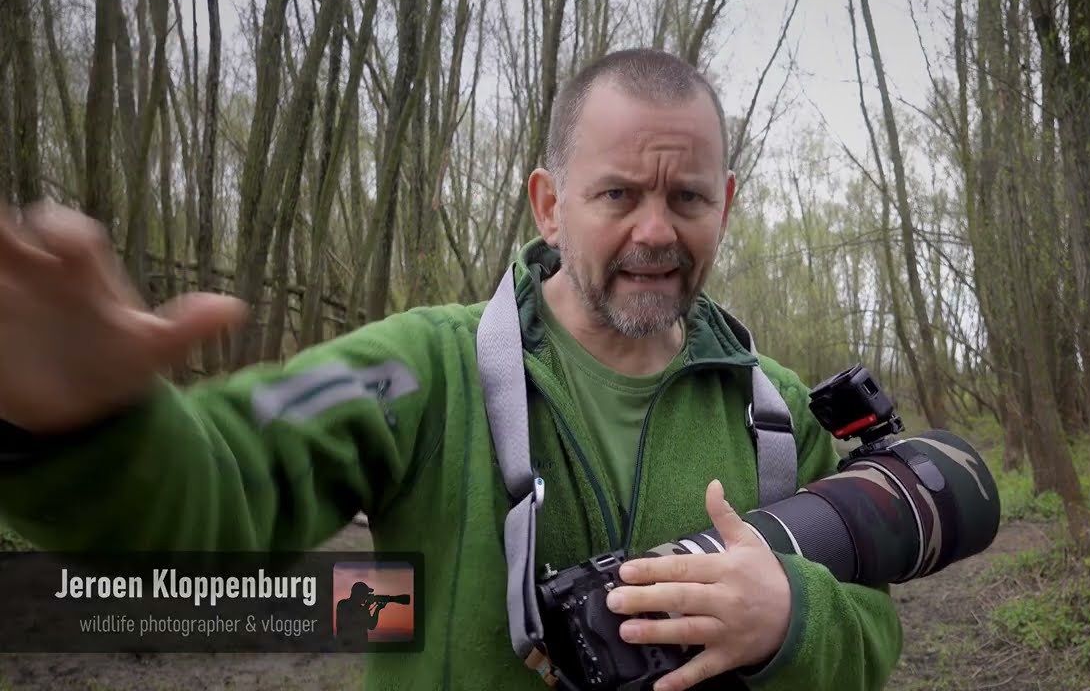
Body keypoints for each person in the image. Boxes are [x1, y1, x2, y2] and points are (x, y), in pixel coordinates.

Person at [0, 48, 902, 690]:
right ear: (550, 205)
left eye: (688, 197)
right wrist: (81, 429)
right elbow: (227, 485)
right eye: (618, 194)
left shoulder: (776, 408)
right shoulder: (419, 367)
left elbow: (872, 627)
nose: (656, 230)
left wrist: (790, 623)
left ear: (726, 205)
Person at [335, 582, 387, 646]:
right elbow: (350, 621)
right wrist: (368, 604)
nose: (366, 596)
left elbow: (371, 625)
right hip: (346, 647)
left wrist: (378, 609)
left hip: (360, 647)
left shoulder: (363, 608)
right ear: (359, 594)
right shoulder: (343, 604)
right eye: (365, 594)